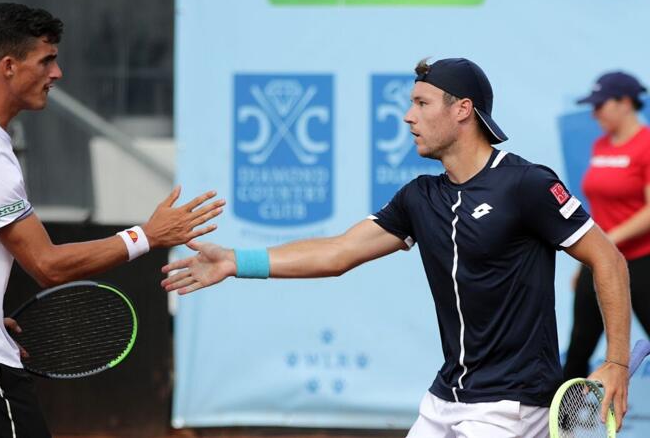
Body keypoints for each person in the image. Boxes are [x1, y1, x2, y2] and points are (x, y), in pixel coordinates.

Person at [161, 58, 632, 437]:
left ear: (462, 109)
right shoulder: (419, 197)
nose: (408, 116)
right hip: (446, 396)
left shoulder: (526, 184)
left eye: (422, 103)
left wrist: (615, 363)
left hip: (511, 404)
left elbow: (607, 259)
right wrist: (235, 262)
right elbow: (338, 253)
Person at [0, 3, 224, 437]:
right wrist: (146, 237)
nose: (56, 73)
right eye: (46, 60)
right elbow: (47, 265)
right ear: (8, 66)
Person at [563, 71, 650, 379]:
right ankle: (560, 424)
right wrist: (584, 260)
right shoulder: (601, 146)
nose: (594, 112)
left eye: (601, 105)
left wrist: (609, 238)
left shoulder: (646, 144)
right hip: (599, 261)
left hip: (642, 261)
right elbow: (598, 208)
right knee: (578, 347)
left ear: (625, 102)